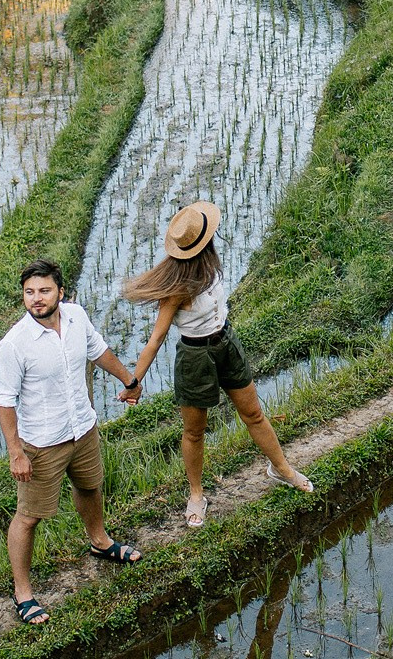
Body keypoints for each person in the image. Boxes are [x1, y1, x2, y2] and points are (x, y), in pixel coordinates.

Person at [124, 201, 311, 528]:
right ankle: (196, 494)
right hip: (195, 358)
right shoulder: (177, 288)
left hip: (227, 343)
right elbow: (155, 339)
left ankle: (281, 468)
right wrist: (134, 381)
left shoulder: (210, 264)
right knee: (194, 432)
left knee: (253, 413)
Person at [0, 258, 144, 626]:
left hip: (82, 426)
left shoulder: (76, 317)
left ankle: (100, 542)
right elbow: (4, 398)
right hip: (42, 442)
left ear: (61, 292)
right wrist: (16, 452)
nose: (36, 299)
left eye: (44, 291)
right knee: (28, 517)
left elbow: (98, 350)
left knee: (91, 486)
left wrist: (129, 380)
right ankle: (23, 593)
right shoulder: (14, 344)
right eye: (29, 292)